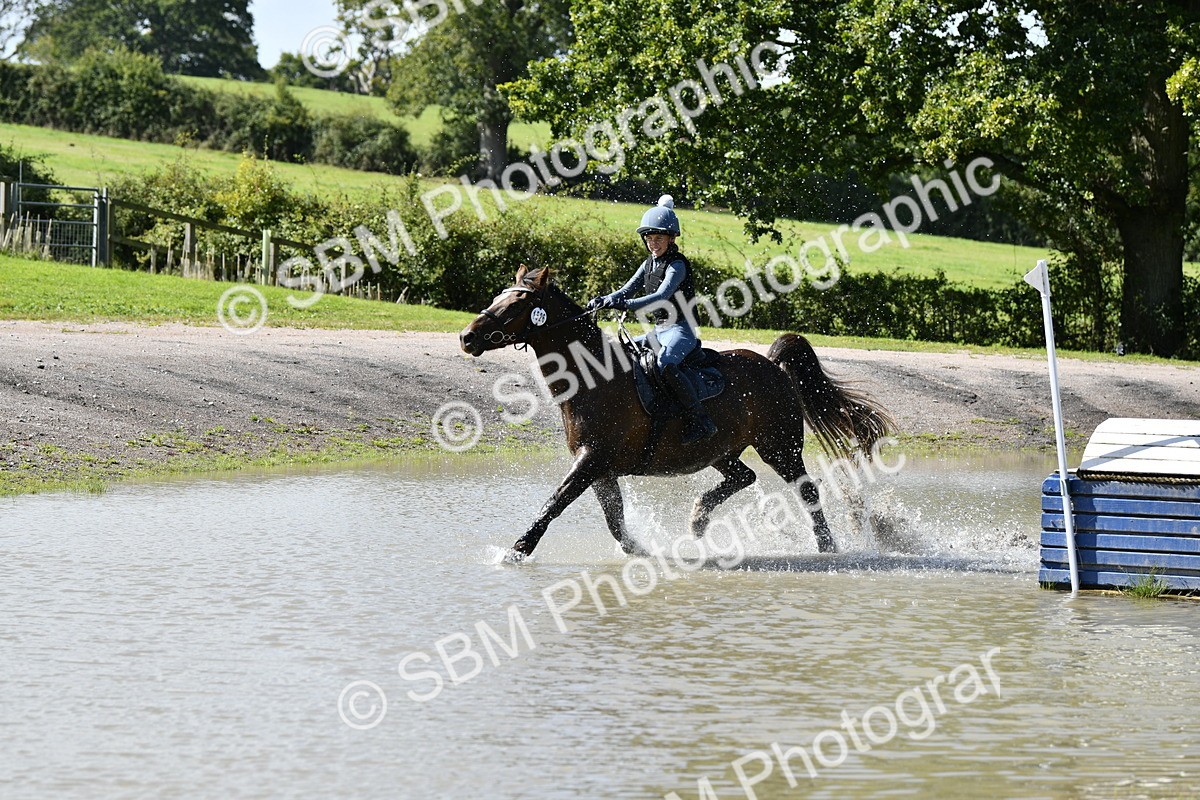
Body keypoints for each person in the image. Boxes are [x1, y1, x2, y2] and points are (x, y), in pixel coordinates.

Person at [586, 195, 717, 444]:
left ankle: (701, 420)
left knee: (665, 363)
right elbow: (625, 290)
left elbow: (661, 296)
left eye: (658, 239)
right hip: (659, 331)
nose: (653, 244)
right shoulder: (648, 263)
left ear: (671, 238)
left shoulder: (677, 265)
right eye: (649, 239)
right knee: (620, 352)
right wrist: (602, 300)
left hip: (681, 330)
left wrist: (627, 305)